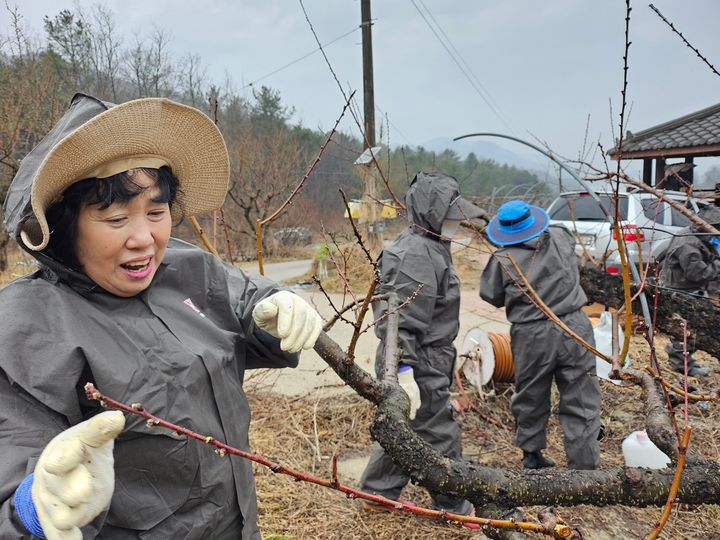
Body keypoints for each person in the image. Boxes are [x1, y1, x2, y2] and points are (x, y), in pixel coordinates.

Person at [0, 93, 323, 539]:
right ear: (65, 224)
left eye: (156, 212)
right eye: (115, 219)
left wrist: (271, 311)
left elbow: (245, 300)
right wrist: (30, 509)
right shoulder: (27, 324)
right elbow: (13, 444)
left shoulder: (186, 269)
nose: (144, 238)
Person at [359, 171, 485, 521]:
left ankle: (376, 492)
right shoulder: (415, 254)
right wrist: (402, 373)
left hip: (428, 359)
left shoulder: (430, 247)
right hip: (417, 363)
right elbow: (400, 323)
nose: (456, 224)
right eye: (450, 216)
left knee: (404, 428)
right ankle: (455, 505)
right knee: (438, 432)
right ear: (432, 213)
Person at [479, 199, 601, 470]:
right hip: (575, 327)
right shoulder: (560, 237)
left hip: (531, 334)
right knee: (582, 397)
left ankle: (532, 456)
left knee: (530, 394)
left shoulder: (503, 259)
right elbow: (561, 235)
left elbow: (491, 296)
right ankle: (585, 471)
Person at [660, 204, 720, 377]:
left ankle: (684, 362)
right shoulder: (688, 242)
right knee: (685, 329)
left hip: (688, 288)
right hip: (681, 291)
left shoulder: (698, 237)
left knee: (692, 327)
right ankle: (681, 365)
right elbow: (697, 273)